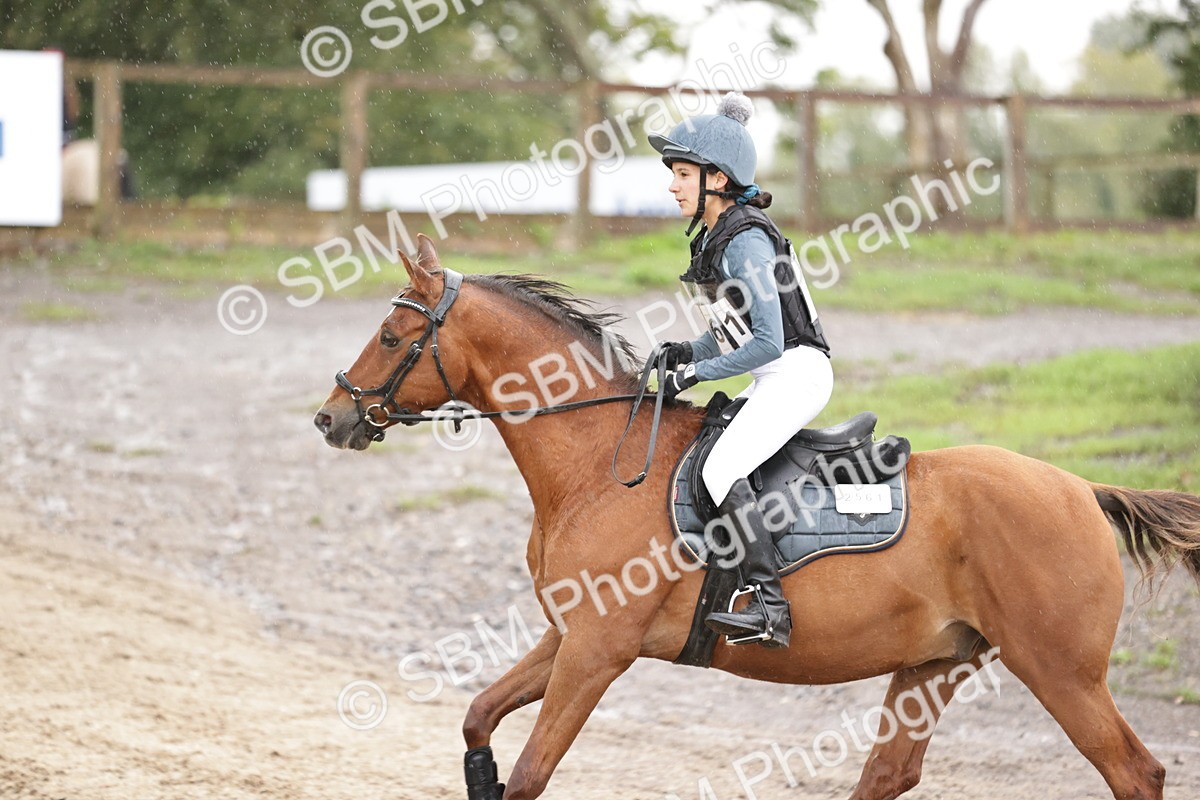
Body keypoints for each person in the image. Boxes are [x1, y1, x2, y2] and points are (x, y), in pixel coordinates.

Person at [649, 92, 833, 649]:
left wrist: (698, 375)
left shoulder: (746, 239)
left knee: (719, 469)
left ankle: (771, 607)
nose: (674, 185)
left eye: (683, 174)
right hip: (776, 370)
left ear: (718, 178)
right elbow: (733, 328)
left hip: (793, 372)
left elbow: (769, 343)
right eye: (675, 174)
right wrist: (689, 350)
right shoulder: (723, 234)